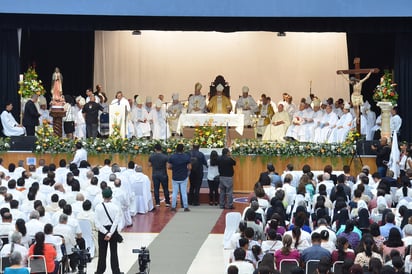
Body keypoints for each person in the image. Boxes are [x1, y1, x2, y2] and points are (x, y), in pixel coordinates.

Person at [94, 188, 123, 274]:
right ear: (111, 197)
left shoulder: (98, 207)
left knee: (102, 253)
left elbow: (97, 222)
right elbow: (116, 222)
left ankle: (100, 271)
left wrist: (105, 232)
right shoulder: (115, 207)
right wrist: (110, 233)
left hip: (102, 231)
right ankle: (116, 271)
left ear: (103, 196)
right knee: (114, 252)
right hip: (112, 231)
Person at [167, 143, 191, 212]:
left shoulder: (172, 157)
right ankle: (186, 207)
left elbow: (168, 167)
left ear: (176, 149)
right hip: (183, 176)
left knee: (174, 192)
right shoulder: (186, 157)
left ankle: (173, 207)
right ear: (183, 149)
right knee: (184, 192)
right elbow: (189, 167)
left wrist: (174, 168)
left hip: (175, 177)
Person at [148, 143, 171, 207]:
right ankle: (167, 202)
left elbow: (149, 165)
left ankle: (157, 203)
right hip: (163, 174)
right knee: (165, 189)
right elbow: (168, 166)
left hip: (155, 174)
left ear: (155, 149)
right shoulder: (165, 156)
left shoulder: (152, 156)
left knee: (156, 189)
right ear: (161, 149)